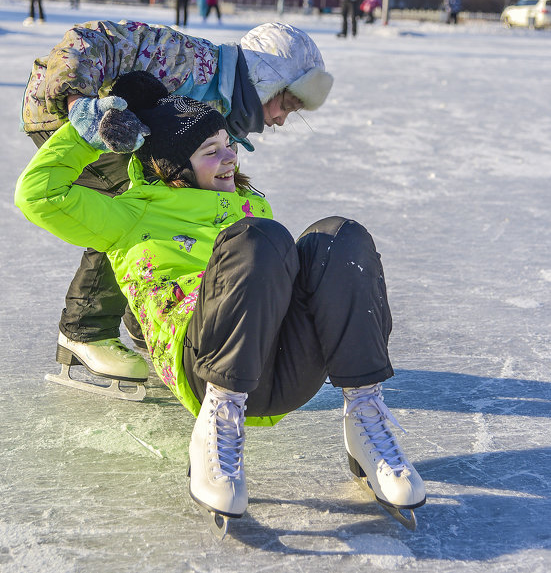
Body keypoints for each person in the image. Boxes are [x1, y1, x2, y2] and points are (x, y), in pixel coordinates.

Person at [15, 74, 426, 529]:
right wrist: (84, 135)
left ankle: (364, 415)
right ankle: (218, 423)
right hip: (204, 369)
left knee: (339, 237)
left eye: (226, 142)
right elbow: (38, 195)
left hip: (285, 373)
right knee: (259, 239)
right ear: (173, 170)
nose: (230, 156)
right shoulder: (129, 216)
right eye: (211, 152)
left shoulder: (249, 204)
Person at [21, 20, 334, 392]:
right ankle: (85, 330)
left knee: (168, 202)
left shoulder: (223, 102)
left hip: (123, 130)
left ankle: (150, 317)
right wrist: (80, 107)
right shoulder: (190, 60)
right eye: (286, 104)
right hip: (63, 116)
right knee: (138, 211)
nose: (282, 119)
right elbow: (87, 39)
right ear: (267, 80)